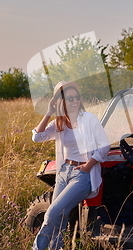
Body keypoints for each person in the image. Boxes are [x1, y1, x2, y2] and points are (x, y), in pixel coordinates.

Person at [31, 81, 110, 250]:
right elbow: (37, 137)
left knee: (53, 212)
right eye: (69, 98)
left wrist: (88, 166)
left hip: (82, 174)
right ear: (61, 102)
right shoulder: (58, 123)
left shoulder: (88, 119)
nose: (74, 101)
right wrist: (48, 113)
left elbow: (105, 146)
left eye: (76, 97)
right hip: (63, 172)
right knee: (60, 216)